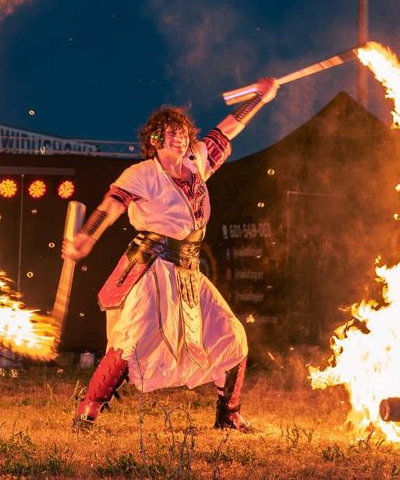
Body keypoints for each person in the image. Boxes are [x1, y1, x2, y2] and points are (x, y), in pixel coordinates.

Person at [63, 78, 279, 431]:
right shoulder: (142, 173)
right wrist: (86, 237)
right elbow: (111, 206)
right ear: (155, 140)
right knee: (128, 341)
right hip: (152, 267)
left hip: (189, 271)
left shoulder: (197, 162)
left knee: (233, 335)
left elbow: (229, 129)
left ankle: (229, 414)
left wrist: (260, 98)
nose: (179, 137)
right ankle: (88, 411)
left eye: (182, 131)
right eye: (170, 132)